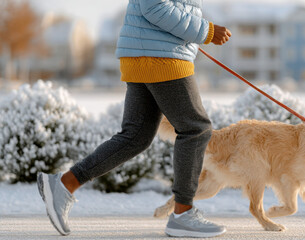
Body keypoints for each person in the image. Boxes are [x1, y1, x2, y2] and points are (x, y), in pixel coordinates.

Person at [37, 0, 231, 238]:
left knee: (136, 136)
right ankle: (183, 213)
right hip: (161, 57)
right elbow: (154, 6)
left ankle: (65, 184)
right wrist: (206, 31)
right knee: (196, 129)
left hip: (148, 53)